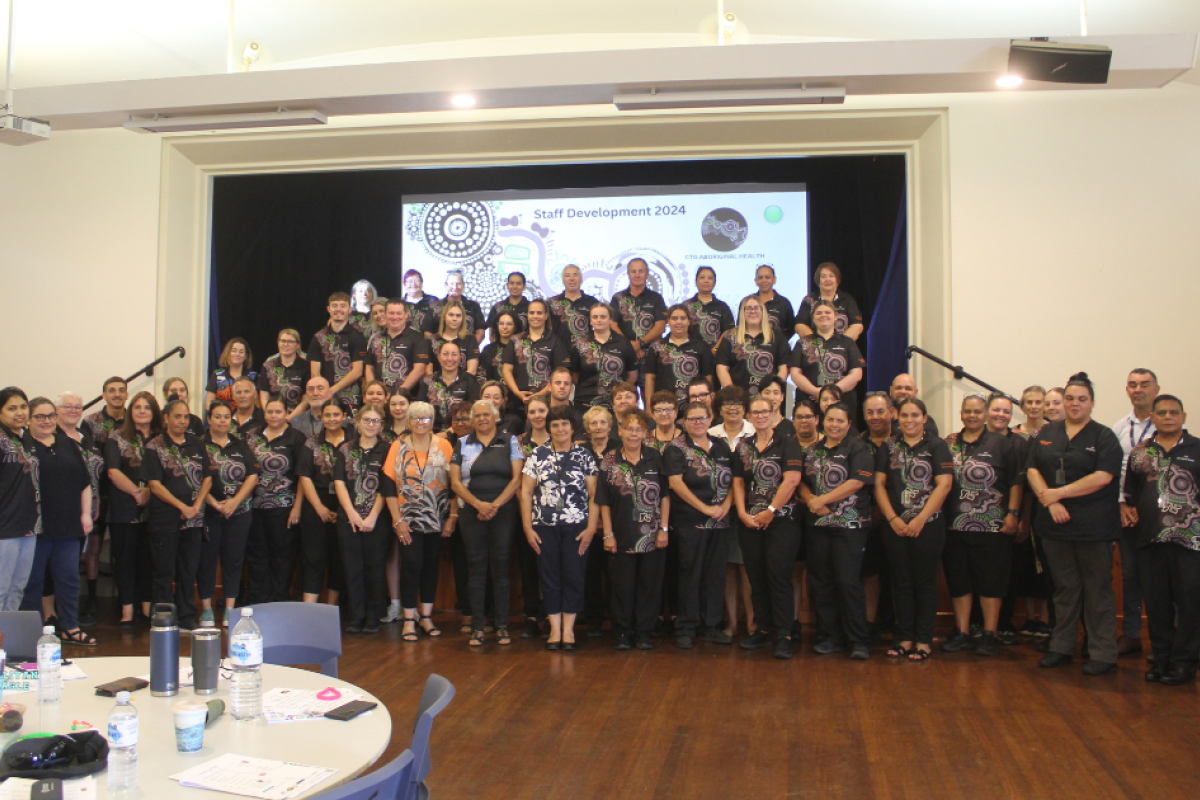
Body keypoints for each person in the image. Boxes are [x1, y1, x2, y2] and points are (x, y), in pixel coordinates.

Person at [1028, 373, 1123, 676]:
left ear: (1091, 403)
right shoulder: (1047, 431)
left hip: (1093, 527)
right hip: (1053, 525)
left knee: (1098, 590)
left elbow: (1103, 477)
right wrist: (1051, 501)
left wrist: (1062, 493)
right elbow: (1032, 468)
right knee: (1064, 588)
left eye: (1082, 399)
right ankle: (1062, 646)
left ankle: (1103, 653)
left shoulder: (1104, 436)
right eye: (1069, 398)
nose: (1074, 403)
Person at [1123, 395, 1200, 685]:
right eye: (1162, 412)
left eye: (1174, 412)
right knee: (1157, 605)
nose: (1168, 417)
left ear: (1184, 416)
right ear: (1152, 417)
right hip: (1149, 540)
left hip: (1190, 542)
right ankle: (1162, 659)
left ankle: (1184, 664)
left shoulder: (1197, 448)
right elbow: (1130, 494)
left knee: (1191, 605)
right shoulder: (1140, 452)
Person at [871, 399, 954, 661]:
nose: (909, 420)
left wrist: (920, 519)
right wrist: (893, 518)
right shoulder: (889, 446)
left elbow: (944, 485)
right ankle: (904, 637)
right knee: (901, 581)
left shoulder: (937, 446)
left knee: (925, 582)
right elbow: (880, 485)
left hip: (927, 526)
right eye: (905, 415)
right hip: (895, 525)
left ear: (924, 418)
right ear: (898, 418)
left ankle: (924, 640)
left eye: (915, 415)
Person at [521, 405, 600, 649]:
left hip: (577, 526)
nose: (560, 428)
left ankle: (569, 631)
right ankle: (555, 630)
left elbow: (594, 494)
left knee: (574, 576)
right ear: (549, 428)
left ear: (572, 426)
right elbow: (525, 492)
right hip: (544, 525)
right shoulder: (537, 455)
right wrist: (527, 527)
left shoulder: (585, 455)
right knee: (550, 577)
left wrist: (591, 528)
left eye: (564, 423)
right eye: (555, 424)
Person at [800, 402, 875, 659]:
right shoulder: (812, 450)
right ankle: (829, 636)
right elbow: (801, 482)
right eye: (830, 420)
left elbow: (857, 482)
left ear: (849, 424)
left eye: (840, 421)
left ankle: (858, 640)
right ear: (823, 421)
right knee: (821, 582)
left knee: (847, 581)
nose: (834, 425)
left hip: (849, 526)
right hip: (818, 526)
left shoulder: (857, 447)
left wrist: (822, 500)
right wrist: (810, 499)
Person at [733, 395, 805, 659]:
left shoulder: (788, 443)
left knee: (778, 576)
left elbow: (792, 480)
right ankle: (762, 630)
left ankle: (784, 634)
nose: (761, 416)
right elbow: (738, 482)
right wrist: (741, 512)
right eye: (755, 412)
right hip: (750, 522)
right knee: (756, 576)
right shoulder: (743, 445)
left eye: (765, 411)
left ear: (774, 412)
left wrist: (771, 511)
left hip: (782, 521)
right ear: (749, 417)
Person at [451, 400, 525, 647]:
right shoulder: (462, 443)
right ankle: (478, 627)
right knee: (475, 568)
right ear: (472, 419)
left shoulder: (510, 441)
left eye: (486, 414)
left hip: (502, 512)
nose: (482, 418)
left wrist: (493, 506)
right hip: (471, 512)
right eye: (478, 415)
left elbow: (516, 479)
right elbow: (455, 483)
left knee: (501, 568)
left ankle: (502, 626)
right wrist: (478, 505)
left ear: (496, 417)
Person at [21, 398, 94, 645]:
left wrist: (85, 514)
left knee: (69, 580)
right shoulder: (24, 446)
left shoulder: (67, 444)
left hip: (68, 526)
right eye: (39, 416)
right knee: (32, 582)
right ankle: (30, 633)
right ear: (29, 419)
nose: (46, 421)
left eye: (50, 416)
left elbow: (85, 482)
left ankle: (70, 627)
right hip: (35, 528)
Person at [597, 409, 670, 650]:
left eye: (638, 429)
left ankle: (644, 632)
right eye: (629, 428)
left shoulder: (655, 457)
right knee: (621, 586)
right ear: (620, 431)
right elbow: (603, 500)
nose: (633, 433)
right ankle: (623, 632)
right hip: (620, 533)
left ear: (645, 433)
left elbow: (665, 497)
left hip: (651, 535)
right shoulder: (609, 460)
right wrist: (607, 534)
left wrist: (664, 529)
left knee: (649, 585)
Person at [384, 401, 455, 640]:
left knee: (430, 567)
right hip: (408, 520)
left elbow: (455, 484)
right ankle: (408, 619)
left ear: (433, 422)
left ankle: (426, 617)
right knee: (411, 566)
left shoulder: (444, 446)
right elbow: (389, 486)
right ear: (408, 421)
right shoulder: (398, 446)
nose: (420, 423)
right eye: (415, 418)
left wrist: (452, 516)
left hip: (437, 519)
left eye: (425, 418)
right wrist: (397, 520)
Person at [666, 401, 734, 648]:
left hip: (721, 521)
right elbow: (676, 484)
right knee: (690, 574)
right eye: (692, 419)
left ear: (710, 418)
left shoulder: (722, 445)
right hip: (690, 522)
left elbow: (734, 480)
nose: (698, 422)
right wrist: (705, 508)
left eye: (702, 417)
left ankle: (710, 626)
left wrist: (727, 505)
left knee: (714, 575)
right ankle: (686, 626)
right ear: (683, 422)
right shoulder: (676, 448)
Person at [144, 399, 213, 630]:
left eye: (185, 417)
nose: (182, 421)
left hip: (194, 519)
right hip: (165, 518)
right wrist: (181, 507)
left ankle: (186, 617)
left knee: (188, 569)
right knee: (164, 571)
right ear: (166, 418)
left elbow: (207, 478)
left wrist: (197, 505)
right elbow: (154, 485)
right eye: (177, 417)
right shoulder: (155, 446)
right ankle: (164, 619)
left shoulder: (197, 443)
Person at [1112, 368, 1160, 657]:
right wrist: (1120, 503)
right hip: (1125, 512)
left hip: (1160, 516)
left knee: (1163, 576)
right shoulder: (1119, 427)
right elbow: (1113, 470)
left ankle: (1168, 635)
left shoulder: (1167, 424)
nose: (1138, 389)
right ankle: (1131, 634)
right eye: (1132, 385)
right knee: (1130, 575)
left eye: (1144, 384)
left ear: (1156, 388)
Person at [199, 401, 260, 627]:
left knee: (233, 560)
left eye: (226, 417)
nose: (223, 421)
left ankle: (230, 609)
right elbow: (195, 478)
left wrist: (235, 501)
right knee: (206, 560)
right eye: (218, 416)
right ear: (209, 419)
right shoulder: (199, 444)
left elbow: (252, 476)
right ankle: (206, 609)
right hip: (207, 512)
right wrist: (214, 503)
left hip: (239, 512)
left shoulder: (240, 445)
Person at [104, 392, 161, 628]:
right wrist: (138, 493)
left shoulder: (162, 438)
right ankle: (127, 609)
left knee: (149, 560)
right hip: (124, 507)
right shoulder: (116, 437)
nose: (142, 411)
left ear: (154, 412)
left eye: (147, 407)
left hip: (157, 509)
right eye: (137, 407)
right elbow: (113, 471)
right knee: (125, 559)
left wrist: (150, 491)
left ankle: (147, 607)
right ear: (130, 410)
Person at [243, 396, 306, 606]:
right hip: (254, 506)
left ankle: (280, 599)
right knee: (257, 553)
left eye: (278, 412)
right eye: (270, 412)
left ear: (286, 414)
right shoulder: (252, 437)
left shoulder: (296, 438)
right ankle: (259, 599)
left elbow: (301, 476)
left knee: (282, 555)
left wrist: (297, 507)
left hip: (284, 506)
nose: (273, 416)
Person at [334, 405, 391, 634]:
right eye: (366, 420)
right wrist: (352, 514)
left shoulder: (387, 450)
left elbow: (387, 487)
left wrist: (372, 516)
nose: (370, 425)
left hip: (377, 519)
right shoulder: (345, 449)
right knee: (352, 568)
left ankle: (373, 615)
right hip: (349, 517)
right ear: (357, 423)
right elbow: (339, 482)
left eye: (375, 421)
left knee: (375, 567)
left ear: (381, 425)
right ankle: (356, 615)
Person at [80, 376, 127, 626]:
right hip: (98, 492)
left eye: (121, 390)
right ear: (103, 395)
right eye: (112, 391)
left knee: (121, 549)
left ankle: (124, 599)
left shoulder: (134, 418)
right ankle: (91, 598)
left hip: (124, 494)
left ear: (127, 395)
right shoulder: (90, 422)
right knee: (94, 548)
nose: (117, 394)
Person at [710, 386, 756, 638]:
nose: (732, 406)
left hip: (748, 509)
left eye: (738, 402)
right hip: (715, 512)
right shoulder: (709, 434)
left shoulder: (754, 432)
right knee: (726, 567)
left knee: (746, 567)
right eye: (727, 402)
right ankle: (730, 622)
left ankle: (751, 621)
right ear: (719, 408)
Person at [296, 400, 352, 608]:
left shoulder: (354, 442)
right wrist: (319, 508)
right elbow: (305, 476)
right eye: (327, 415)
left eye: (336, 415)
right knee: (313, 558)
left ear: (344, 416)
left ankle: (331, 609)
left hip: (346, 507)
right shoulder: (311, 443)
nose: (332, 419)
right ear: (321, 418)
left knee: (339, 559)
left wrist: (344, 509)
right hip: (315, 506)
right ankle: (308, 610)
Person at [1011, 385, 1052, 638]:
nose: (1034, 406)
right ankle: (1029, 618)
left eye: (1039, 402)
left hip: (1047, 504)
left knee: (1046, 564)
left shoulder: (1054, 433)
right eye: (1030, 402)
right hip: (1021, 502)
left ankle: (1046, 619)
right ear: (1022, 406)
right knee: (1024, 562)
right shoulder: (1014, 436)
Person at [858, 392, 894, 636]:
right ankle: (869, 625)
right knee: (869, 573)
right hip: (867, 518)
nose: (875, 417)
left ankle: (898, 625)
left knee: (897, 574)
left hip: (900, 518)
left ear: (891, 413)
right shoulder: (858, 443)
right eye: (870, 412)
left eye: (880, 411)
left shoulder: (905, 442)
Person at [515, 396, 552, 637]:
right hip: (526, 512)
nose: (537, 415)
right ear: (527, 415)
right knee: (528, 566)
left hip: (552, 514)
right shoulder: (519, 442)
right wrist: (527, 508)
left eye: (541, 410)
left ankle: (550, 615)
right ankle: (530, 615)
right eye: (532, 411)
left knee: (549, 567)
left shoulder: (558, 440)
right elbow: (517, 481)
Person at [789, 299, 865, 415]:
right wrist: (815, 391)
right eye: (819, 313)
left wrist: (832, 392)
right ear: (813, 318)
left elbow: (857, 373)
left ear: (836, 316)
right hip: (809, 404)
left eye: (827, 312)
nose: (823, 315)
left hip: (842, 403)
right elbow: (795, 373)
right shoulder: (802, 343)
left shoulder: (847, 342)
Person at [0, 388, 38, 612]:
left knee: (17, 587)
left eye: (23, 407)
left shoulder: (26, 438)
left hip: (29, 524)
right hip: (5, 525)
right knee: (1, 588)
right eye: (12, 408)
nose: (19, 413)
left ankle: (7, 641)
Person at [307, 291, 368, 416]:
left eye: (342, 305)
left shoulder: (358, 337)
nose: (338, 309)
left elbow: (357, 371)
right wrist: (322, 392)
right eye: (334, 305)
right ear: (328, 309)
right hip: (324, 398)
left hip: (350, 398)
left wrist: (332, 390)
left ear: (349, 309)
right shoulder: (318, 337)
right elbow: (315, 372)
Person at [502, 299, 569, 412]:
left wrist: (539, 396)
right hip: (517, 402)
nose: (535, 316)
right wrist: (517, 393)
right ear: (527, 315)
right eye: (532, 313)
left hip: (546, 402)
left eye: (539, 313)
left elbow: (560, 373)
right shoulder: (515, 340)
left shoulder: (555, 341)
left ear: (546, 315)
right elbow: (507, 370)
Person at [644, 304, 714, 408]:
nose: (679, 322)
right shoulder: (656, 347)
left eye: (683, 318)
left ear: (689, 321)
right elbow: (650, 379)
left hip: (694, 405)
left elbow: (708, 378)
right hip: (664, 406)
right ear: (668, 321)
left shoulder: (701, 346)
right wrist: (649, 407)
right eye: (674, 318)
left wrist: (709, 406)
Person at [611, 257, 667, 384]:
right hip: (624, 356)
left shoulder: (656, 298)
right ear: (628, 274)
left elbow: (660, 327)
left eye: (641, 271)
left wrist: (639, 344)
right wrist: (630, 346)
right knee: (624, 396)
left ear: (647, 274)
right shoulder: (617, 298)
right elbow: (612, 325)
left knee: (650, 398)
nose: (637, 275)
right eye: (633, 271)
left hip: (651, 356)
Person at [715, 295, 789, 392]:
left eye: (757, 308)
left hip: (768, 398)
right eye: (748, 308)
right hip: (739, 399)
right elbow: (721, 368)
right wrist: (733, 394)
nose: (753, 311)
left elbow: (783, 368)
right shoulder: (730, 337)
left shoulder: (777, 336)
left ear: (763, 311)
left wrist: (773, 391)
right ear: (742, 312)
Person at [573, 302, 637, 410]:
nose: (599, 320)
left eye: (603, 317)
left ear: (610, 320)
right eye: (595, 317)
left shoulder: (623, 343)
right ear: (591, 321)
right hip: (586, 403)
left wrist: (620, 394)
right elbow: (575, 376)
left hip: (616, 404)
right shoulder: (579, 344)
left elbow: (632, 376)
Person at [364, 299, 430, 396]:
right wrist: (374, 392)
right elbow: (369, 368)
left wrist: (398, 394)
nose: (395, 317)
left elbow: (419, 369)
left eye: (399, 313)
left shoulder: (417, 338)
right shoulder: (375, 338)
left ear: (406, 314)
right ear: (385, 315)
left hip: (405, 398)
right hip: (379, 399)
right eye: (391, 313)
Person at [417, 339, 481, 431]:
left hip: (462, 433)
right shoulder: (428, 381)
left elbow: (474, 412)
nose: (450, 359)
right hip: (431, 434)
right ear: (438, 357)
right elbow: (420, 411)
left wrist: (448, 433)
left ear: (460, 357)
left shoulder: (470, 381)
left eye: (454, 354)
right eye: (445, 354)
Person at [795, 262, 865, 340]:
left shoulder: (847, 300)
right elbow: (800, 325)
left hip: (842, 349)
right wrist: (817, 344)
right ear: (818, 281)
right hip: (815, 348)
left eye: (831, 276)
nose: (827, 280)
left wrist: (841, 345)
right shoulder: (809, 300)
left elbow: (857, 326)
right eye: (823, 276)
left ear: (837, 280)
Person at [257, 329, 311, 417]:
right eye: (283, 341)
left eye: (290, 342)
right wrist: (271, 414)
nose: (286, 345)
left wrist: (290, 417)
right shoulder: (268, 366)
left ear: (297, 345)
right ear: (278, 343)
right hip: (273, 417)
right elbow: (264, 396)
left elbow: (306, 399)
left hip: (298, 417)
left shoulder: (306, 366)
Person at [426, 271, 487, 345]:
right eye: (451, 284)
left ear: (463, 285)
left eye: (458, 284)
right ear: (446, 285)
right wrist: (437, 348)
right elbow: (427, 332)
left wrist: (470, 349)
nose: (455, 287)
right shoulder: (435, 306)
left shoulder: (473, 306)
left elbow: (480, 332)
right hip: (439, 352)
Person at [684, 266, 734, 352]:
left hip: (715, 355)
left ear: (714, 283)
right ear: (696, 282)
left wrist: (716, 349)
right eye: (702, 277)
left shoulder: (722, 307)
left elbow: (729, 331)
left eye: (710, 278)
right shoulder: (686, 306)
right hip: (690, 354)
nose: (706, 280)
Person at [547, 264, 599, 345]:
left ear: (581, 279)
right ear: (563, 280)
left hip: (585, 351)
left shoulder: (592, 302)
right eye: (567, 276)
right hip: (559, 351)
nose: (572, 279)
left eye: (575, 275)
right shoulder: (552, 302)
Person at [430, 299, 481, 376]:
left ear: (463, 318)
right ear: (444, 317)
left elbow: (472, 371)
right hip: (437, 386)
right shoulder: (431, 340)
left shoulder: (470, 340)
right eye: (451, 315)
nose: (454, 319)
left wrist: (456, 385)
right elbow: (428, 372)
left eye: (458, 315)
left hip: (463, 385)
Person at [205, 338, 256, 410]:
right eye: (234, 351)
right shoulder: (217, 375)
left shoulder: (253, 376)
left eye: (241, 352)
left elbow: (257, 404)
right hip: (222, 418)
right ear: (228, 353)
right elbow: (209, 404)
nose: (237, 354)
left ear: (246, 356)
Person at [750, 265, 795, 345]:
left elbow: (791, 328)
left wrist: (780, 342)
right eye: (760, 277)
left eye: (767, 277)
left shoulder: (784, 303)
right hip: (752, 349)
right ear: (756, 281)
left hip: (777, 351)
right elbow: (741, 326)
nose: (764, 280)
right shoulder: (748, 302)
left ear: (774, 280)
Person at [889, 373, 939, 438]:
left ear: (915, 393)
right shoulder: (882, 419)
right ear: (891, 391)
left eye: (908, 388)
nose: (903, 392)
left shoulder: (926, 421)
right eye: (899, 388)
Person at [480, 311, 517, 385]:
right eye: (501, 323)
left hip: (517, 393)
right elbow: (481, 374)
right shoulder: (488, 349)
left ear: (515, 327)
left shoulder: (521, 349)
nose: (505, 327)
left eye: (509, 324)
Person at [402, 269, 440, 336]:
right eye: (410, 281)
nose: (413, 284)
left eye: (417, 280)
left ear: (422, 283)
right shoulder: (400, 304)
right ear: (404, 284)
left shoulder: (433, 301)